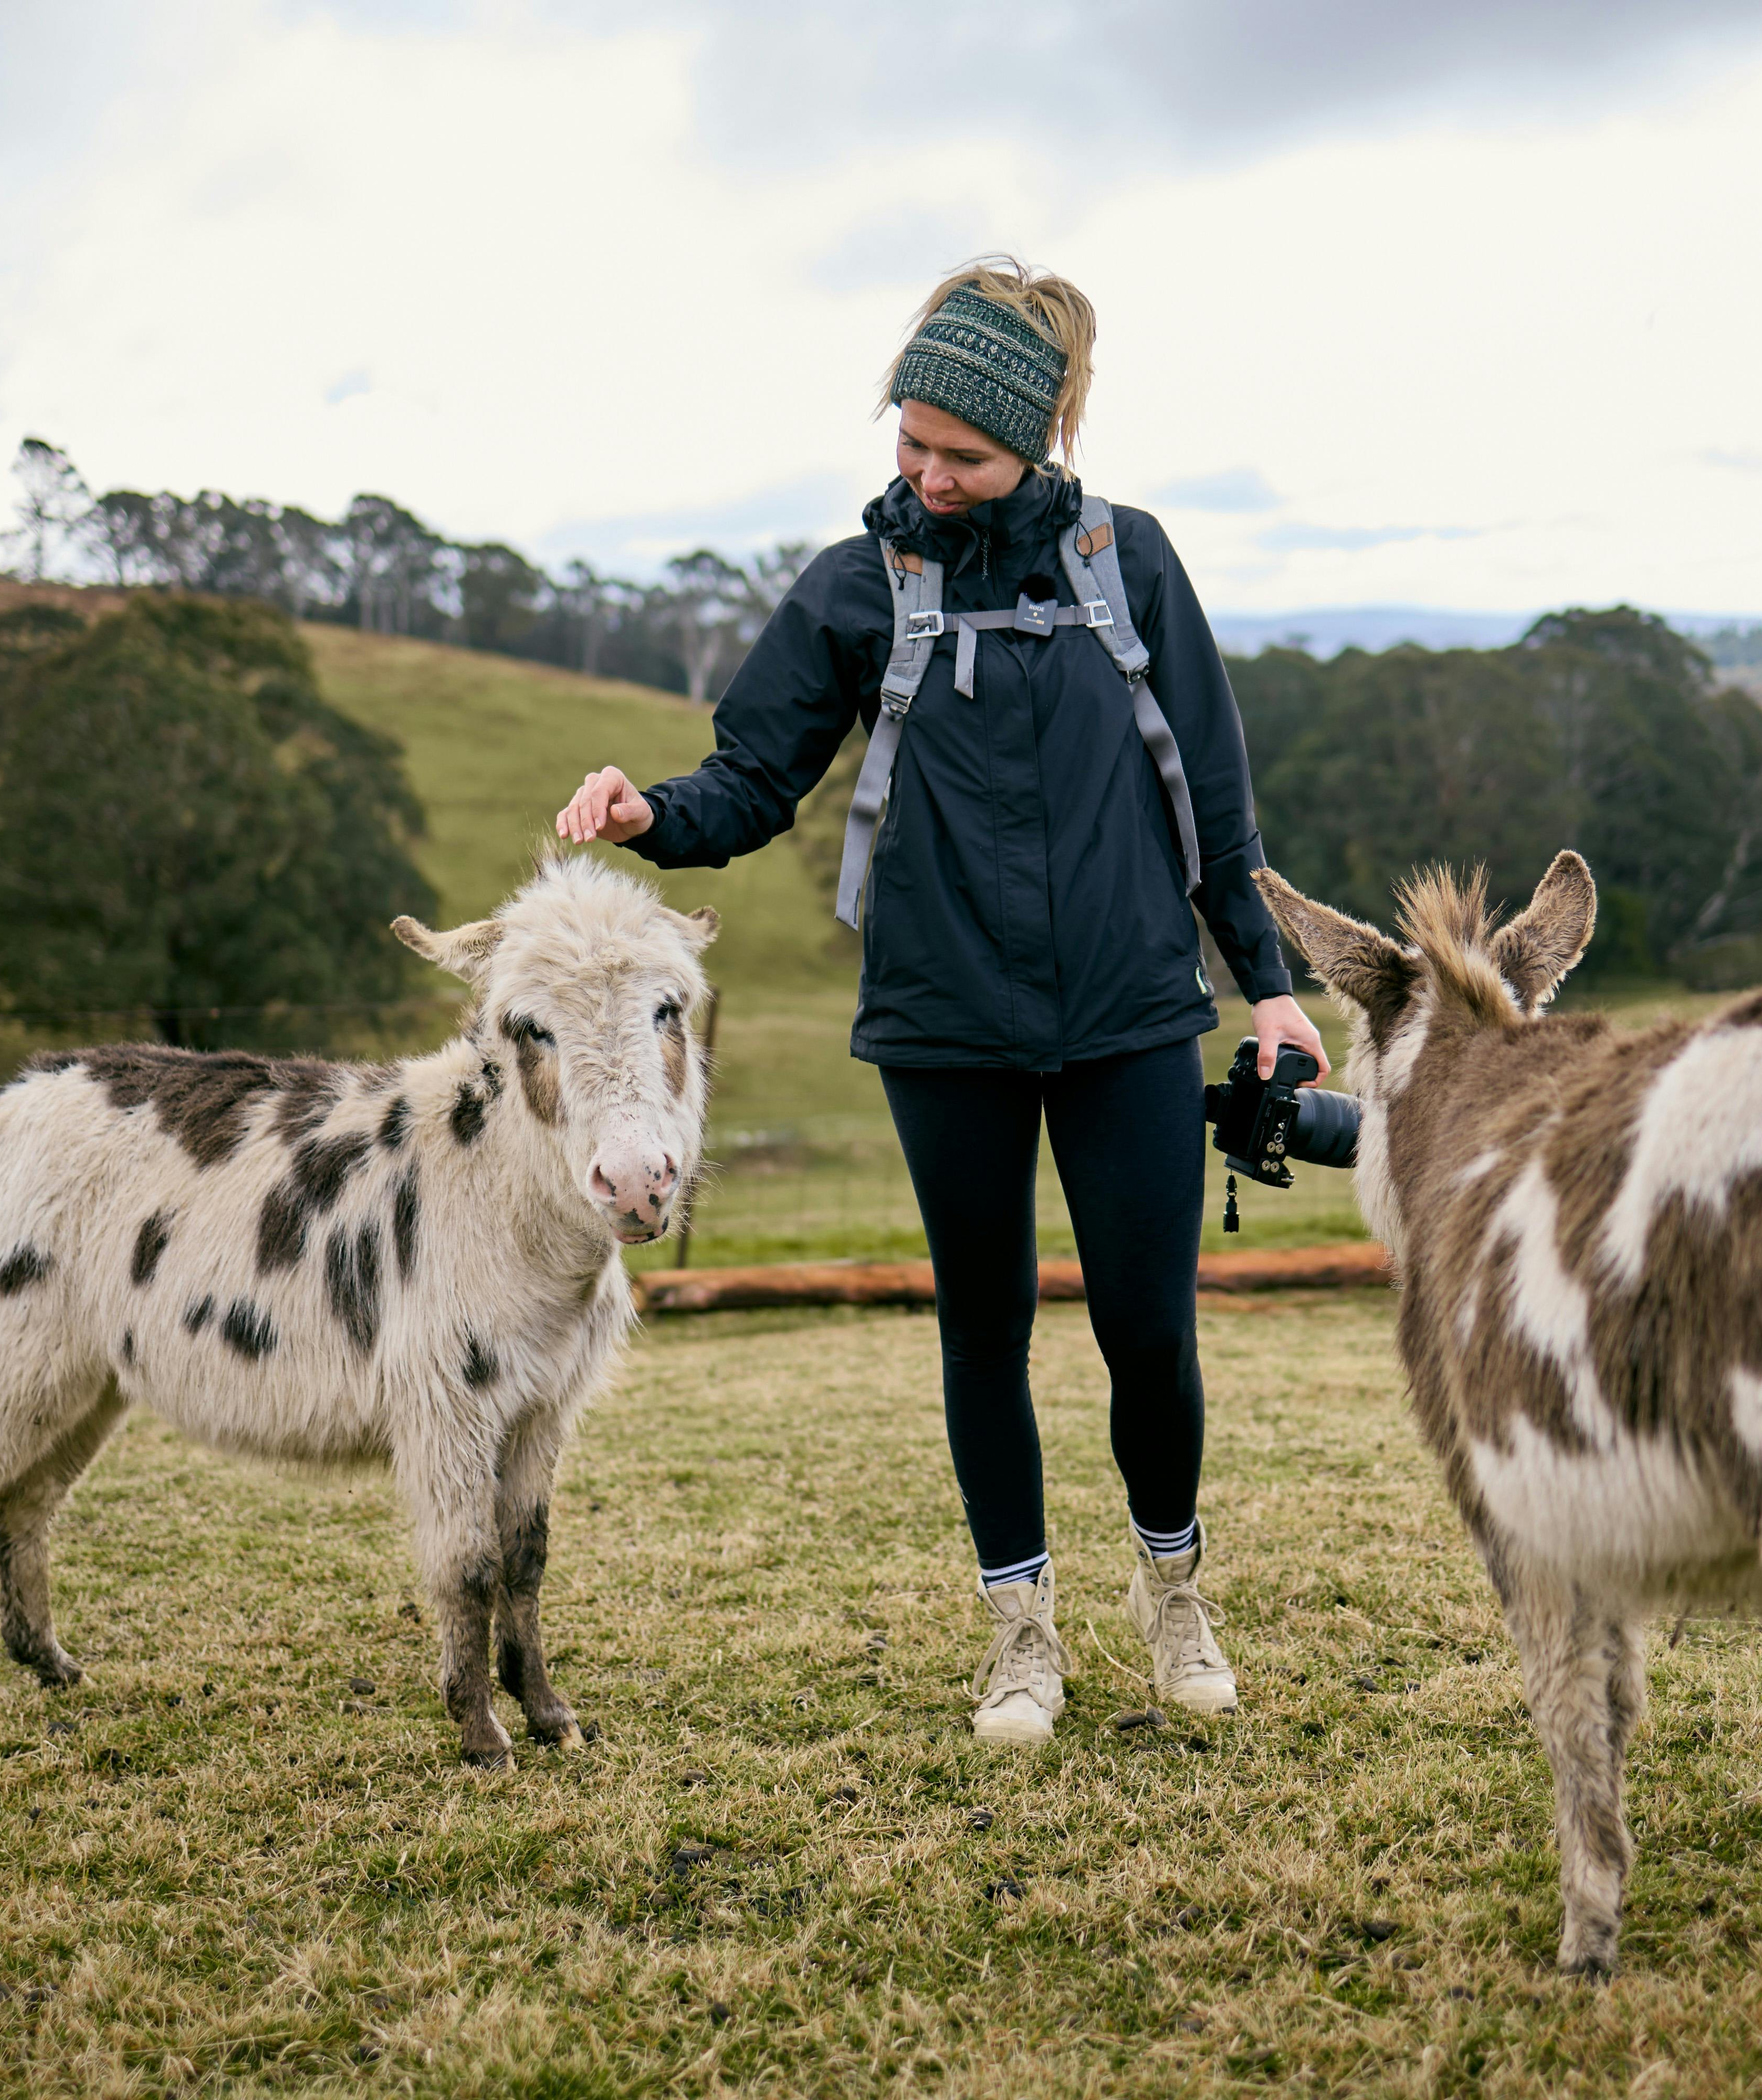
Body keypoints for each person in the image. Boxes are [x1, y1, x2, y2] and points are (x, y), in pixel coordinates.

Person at [553, 257, 1328, 1747]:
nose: (929, 477)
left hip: (1128, 1018)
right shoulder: (861, 585)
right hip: (943, 1023)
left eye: (961, 456)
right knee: (984, 1330)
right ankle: (1020, 1636)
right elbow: (753, 778)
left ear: (1044, 437)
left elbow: (1216, 812)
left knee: (1148, 1334)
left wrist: (1272, 993)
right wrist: (649, 813)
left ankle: (1175, 1601)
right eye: (909, 445)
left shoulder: (1133, 562)